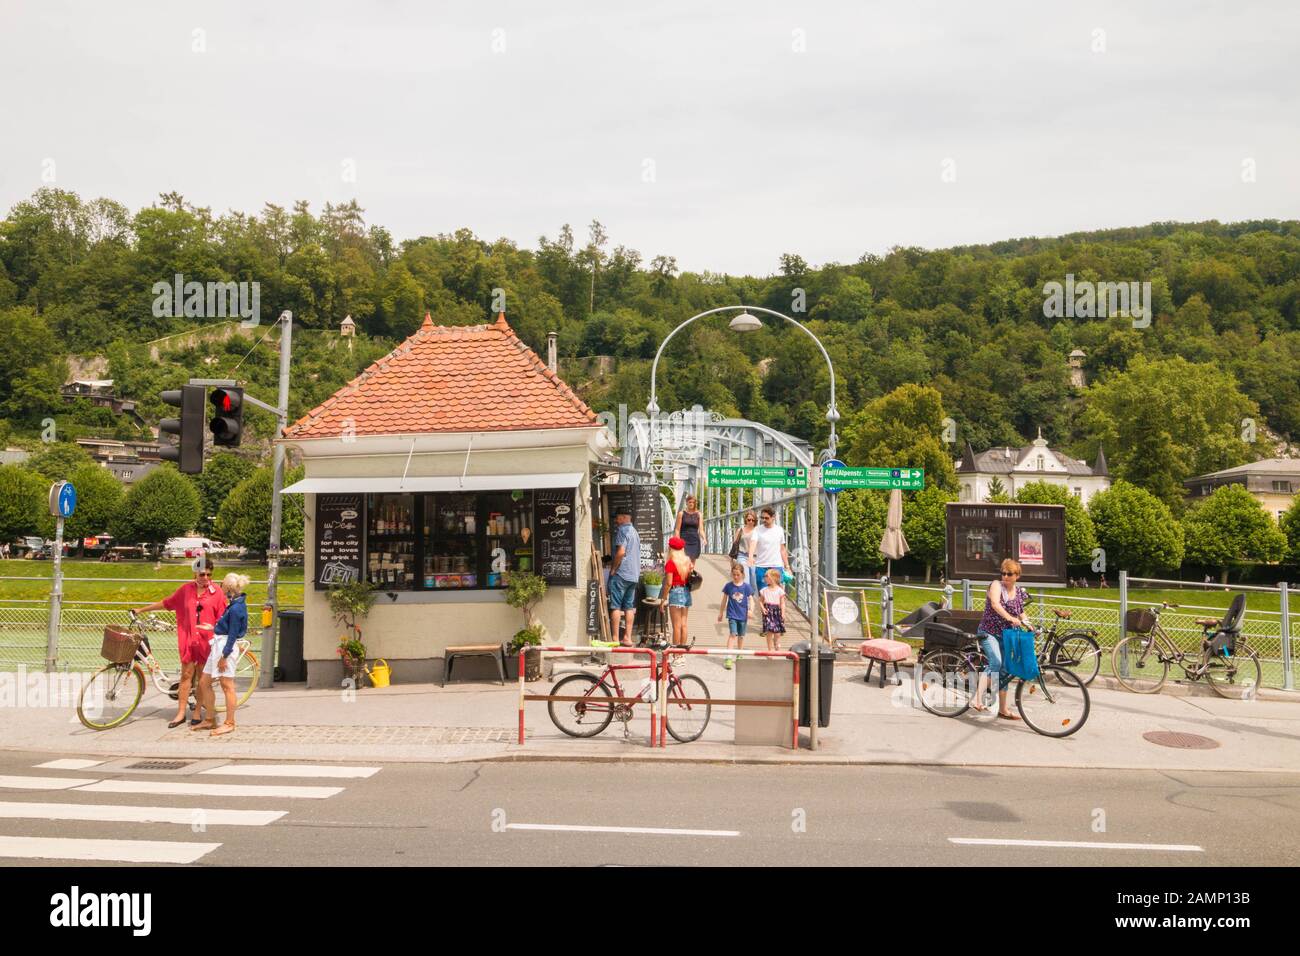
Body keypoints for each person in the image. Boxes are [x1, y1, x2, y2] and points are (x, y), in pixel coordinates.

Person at [134, 556, 227, 728]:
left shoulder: (217, 593)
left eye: (208, 574)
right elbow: (167, 603)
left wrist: (214, 629)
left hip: (207, 642)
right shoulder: (185, 590)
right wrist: (141, 610)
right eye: (201, 574)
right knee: (186, 676)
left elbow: (223, 619)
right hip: (188, 640)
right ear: (195, 574)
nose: (205, 578)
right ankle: (181, 713)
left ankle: (198, 711)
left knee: (202, 679)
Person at [973, 558, 1029, 720]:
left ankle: (1003, 709)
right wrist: (1011, 618)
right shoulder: (996, 585)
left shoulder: (1018, 592)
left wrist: (1029, 624)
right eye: (1003, 573)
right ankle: (977, 699)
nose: (1005, 576)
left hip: (1006, 635)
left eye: (1009, 574)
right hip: (988, 632)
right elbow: (996, 604)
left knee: (1004, 671)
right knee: (996, 663)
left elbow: (1021, 611)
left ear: (1017, 575)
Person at [201, 572, 249, 737]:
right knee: (204, 682)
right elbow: (229, 628)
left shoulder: (236, 608)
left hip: (224, 648)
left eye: (222, 584)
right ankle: (209, 719)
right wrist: (213, 627)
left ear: (227, 588)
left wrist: (224, 656)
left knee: (227, 685)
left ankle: (229, 722)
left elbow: (233, 634)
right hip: (219, 644)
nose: (219, 586)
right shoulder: (235, 604)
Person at [607, 508, 642, 647]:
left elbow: (621, 552)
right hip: (633, 575)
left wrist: (613, 569)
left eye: (617, 518)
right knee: (628, 607)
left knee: (615, 606)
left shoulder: (622, 531)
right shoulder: (635, 532)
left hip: (622, 573)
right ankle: (627, 638)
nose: (616, 521)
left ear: (623, 517)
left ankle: (615, 639)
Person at [718, 561, 754, 668]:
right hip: (732, 614)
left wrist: (751, 610)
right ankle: (728, 657)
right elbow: (724, 600)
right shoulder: (728, 586)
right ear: (731, 574)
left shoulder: (746, 587)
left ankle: (739, 654)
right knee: (733, 634)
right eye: (734, 574)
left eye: (738, 575)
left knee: (741, 636)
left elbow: (751, 599)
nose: (736, 577)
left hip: (743, 615)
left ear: (742, 574)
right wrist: (720, 613)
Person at [748, 506, 791, 590]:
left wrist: (787, 566)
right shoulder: (757, 529)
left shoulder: (779, 530)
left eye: (767, 518)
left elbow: (782, 549)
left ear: (773, 517)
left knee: (777, 593)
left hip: (776, 566)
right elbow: (753, 543)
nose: (764, 520)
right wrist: (750, 557)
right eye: (762, 518)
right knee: (763, 594)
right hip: (761, 566)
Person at [664, 536, 694, 647]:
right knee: (684, 625)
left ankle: (675, 653)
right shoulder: (687, 561)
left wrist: (663, 599)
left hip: (675, 592)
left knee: (676, 626)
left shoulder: (671, 563)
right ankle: (681, 653)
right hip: (686, 591)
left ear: (670, 548)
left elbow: (668, 583)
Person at [729, 510, 760, 596]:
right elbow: (735, 544)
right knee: (745, 578)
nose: (750, 522)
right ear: (745, 519)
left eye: (752, 520)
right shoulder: (740, 530)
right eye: (749, 519)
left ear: (755, 521)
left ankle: (753, 599)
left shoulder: (757, 531)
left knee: (753, 578)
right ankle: (746, 600)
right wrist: (732, 559)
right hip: (741, 555)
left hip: (754, 557)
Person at [759, 567, 787, 652]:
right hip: (768, 611)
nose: (765, 579)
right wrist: (762, 608)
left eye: (766, 577)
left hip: (777, 611)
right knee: (769, 631)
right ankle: (769, 649)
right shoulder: (764, 590)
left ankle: (776, 642)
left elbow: (782, 603)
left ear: (773, 578)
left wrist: (783, 613)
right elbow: (760, 601)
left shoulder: (780, 591)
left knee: (777, 632)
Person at [674, 494, 703, 562]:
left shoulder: (699, 514)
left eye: (693, 502)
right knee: (684, 561)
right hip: (684, 540)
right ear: (687, 502)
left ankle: (690, 572)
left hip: (695, 540)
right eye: (690, 502)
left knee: (692, 563)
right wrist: (678, 541)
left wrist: (704, 538)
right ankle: (686, 572)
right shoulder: (681, 514)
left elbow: (701, 530)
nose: (691, 504)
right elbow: (677, 529)